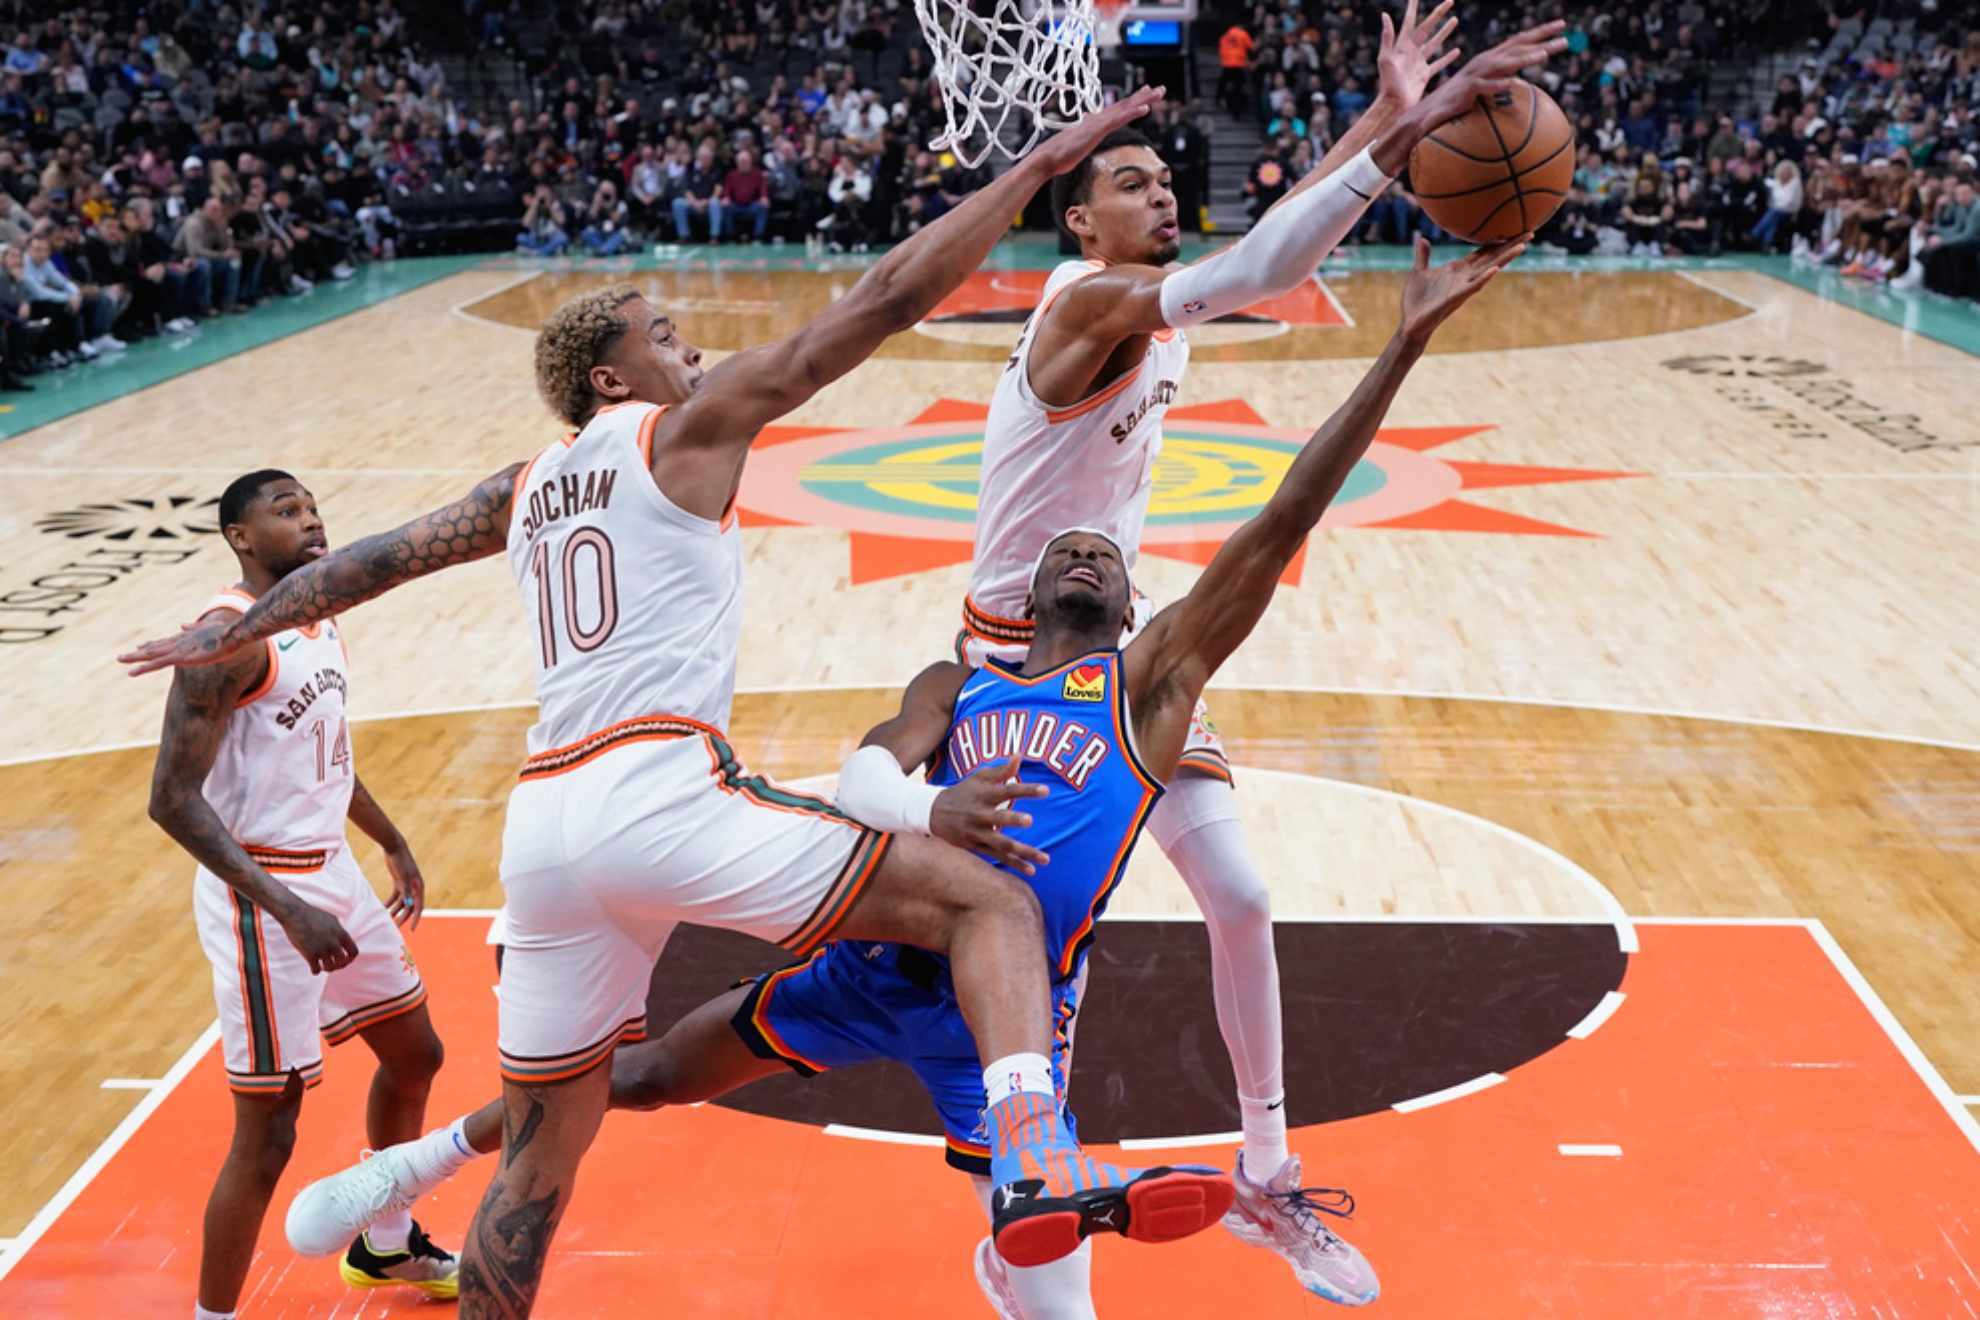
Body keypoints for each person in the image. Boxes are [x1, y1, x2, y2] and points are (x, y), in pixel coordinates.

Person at [122, 89, 1235, 1319]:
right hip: (659, 786)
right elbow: (880, 302)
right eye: (666, 333)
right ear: (614, 376)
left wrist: (231, 627)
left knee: (542, 1163)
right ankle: (1032, 1156)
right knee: (988, 903)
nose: (691, 347)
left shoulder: (523, 485)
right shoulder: (681, 430)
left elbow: (368, 561)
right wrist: (1034, 172)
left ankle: (440, 1215)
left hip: (542, 831)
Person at [279, 232, 1522, 1320]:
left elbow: (1285, 515)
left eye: (1106, 555)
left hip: (999, 1020)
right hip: (871, 965)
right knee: (646, 1073)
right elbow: (860, 774)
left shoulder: (1150, 688)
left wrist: (1403, 348)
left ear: (1134, 601)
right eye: (1065, 550)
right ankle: (413, 1167)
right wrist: (929, 806)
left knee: (1049, 1282)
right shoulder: (955, 686)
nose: (1086, 553)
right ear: (1021, 595)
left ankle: (1042, 1205)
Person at [952, 5, 1563, 1306]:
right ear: (1080, 224)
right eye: (1130, 179)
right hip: (1014, 664)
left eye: (1169, 179)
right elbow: (1264, 273)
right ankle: (1023, 1225)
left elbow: (1272, 248)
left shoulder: (1134, 301)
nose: (1160, 191)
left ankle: (1270, 1176)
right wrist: (1394, 142)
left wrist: (1388, 116)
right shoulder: (1086, 308)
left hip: (1112, 647)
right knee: (1045, 943)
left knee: (1238, 894)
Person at [144, 470, 461, 1318]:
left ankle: (386, 1244)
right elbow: (170, 801)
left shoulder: (316, 617)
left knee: (416, 1054)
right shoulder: (230, 641)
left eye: (314, 506)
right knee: (270, 1131)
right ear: (240, 537)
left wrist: (386, 838)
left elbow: (320, 748)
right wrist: (287, 906)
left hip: (332, 872)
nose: (311, 520)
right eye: (286, 511)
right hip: (260, 891)